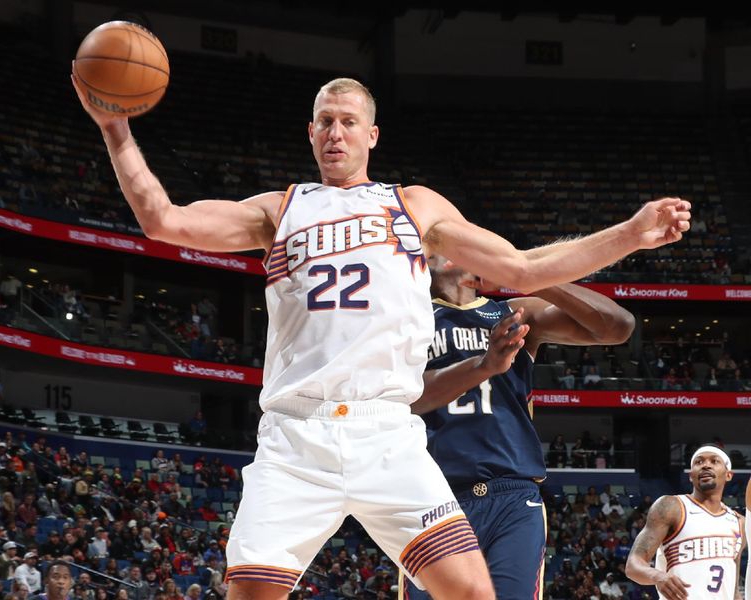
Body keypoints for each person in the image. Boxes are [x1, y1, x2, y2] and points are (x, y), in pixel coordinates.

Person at [72, 71, 690, 600]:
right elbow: (163, 221)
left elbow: (523, 268)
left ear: (370, 136)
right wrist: (116, 129)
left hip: (385, 434)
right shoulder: (278, 209)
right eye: (323, 122)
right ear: (310, 134)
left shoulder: (412, 206)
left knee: (474, 592)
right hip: (295, 438)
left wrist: (629, 234)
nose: (334, 133)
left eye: (347, 122)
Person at [405, 258, 634, 600]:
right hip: (435, 494)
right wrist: (483, 366)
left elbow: (616, 327)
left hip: (511, 495)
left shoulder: (513, 312)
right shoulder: (408, 318)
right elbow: (406, 400)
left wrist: (530, 276)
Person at [626, 446, 746, 600]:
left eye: (714, 461)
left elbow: (733, 587)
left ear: (728, 475)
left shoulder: (738, 522)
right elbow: (633, 565)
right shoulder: (671, 506)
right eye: (699, 462)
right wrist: (657, 575)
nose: (706, 465)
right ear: (691, 476)